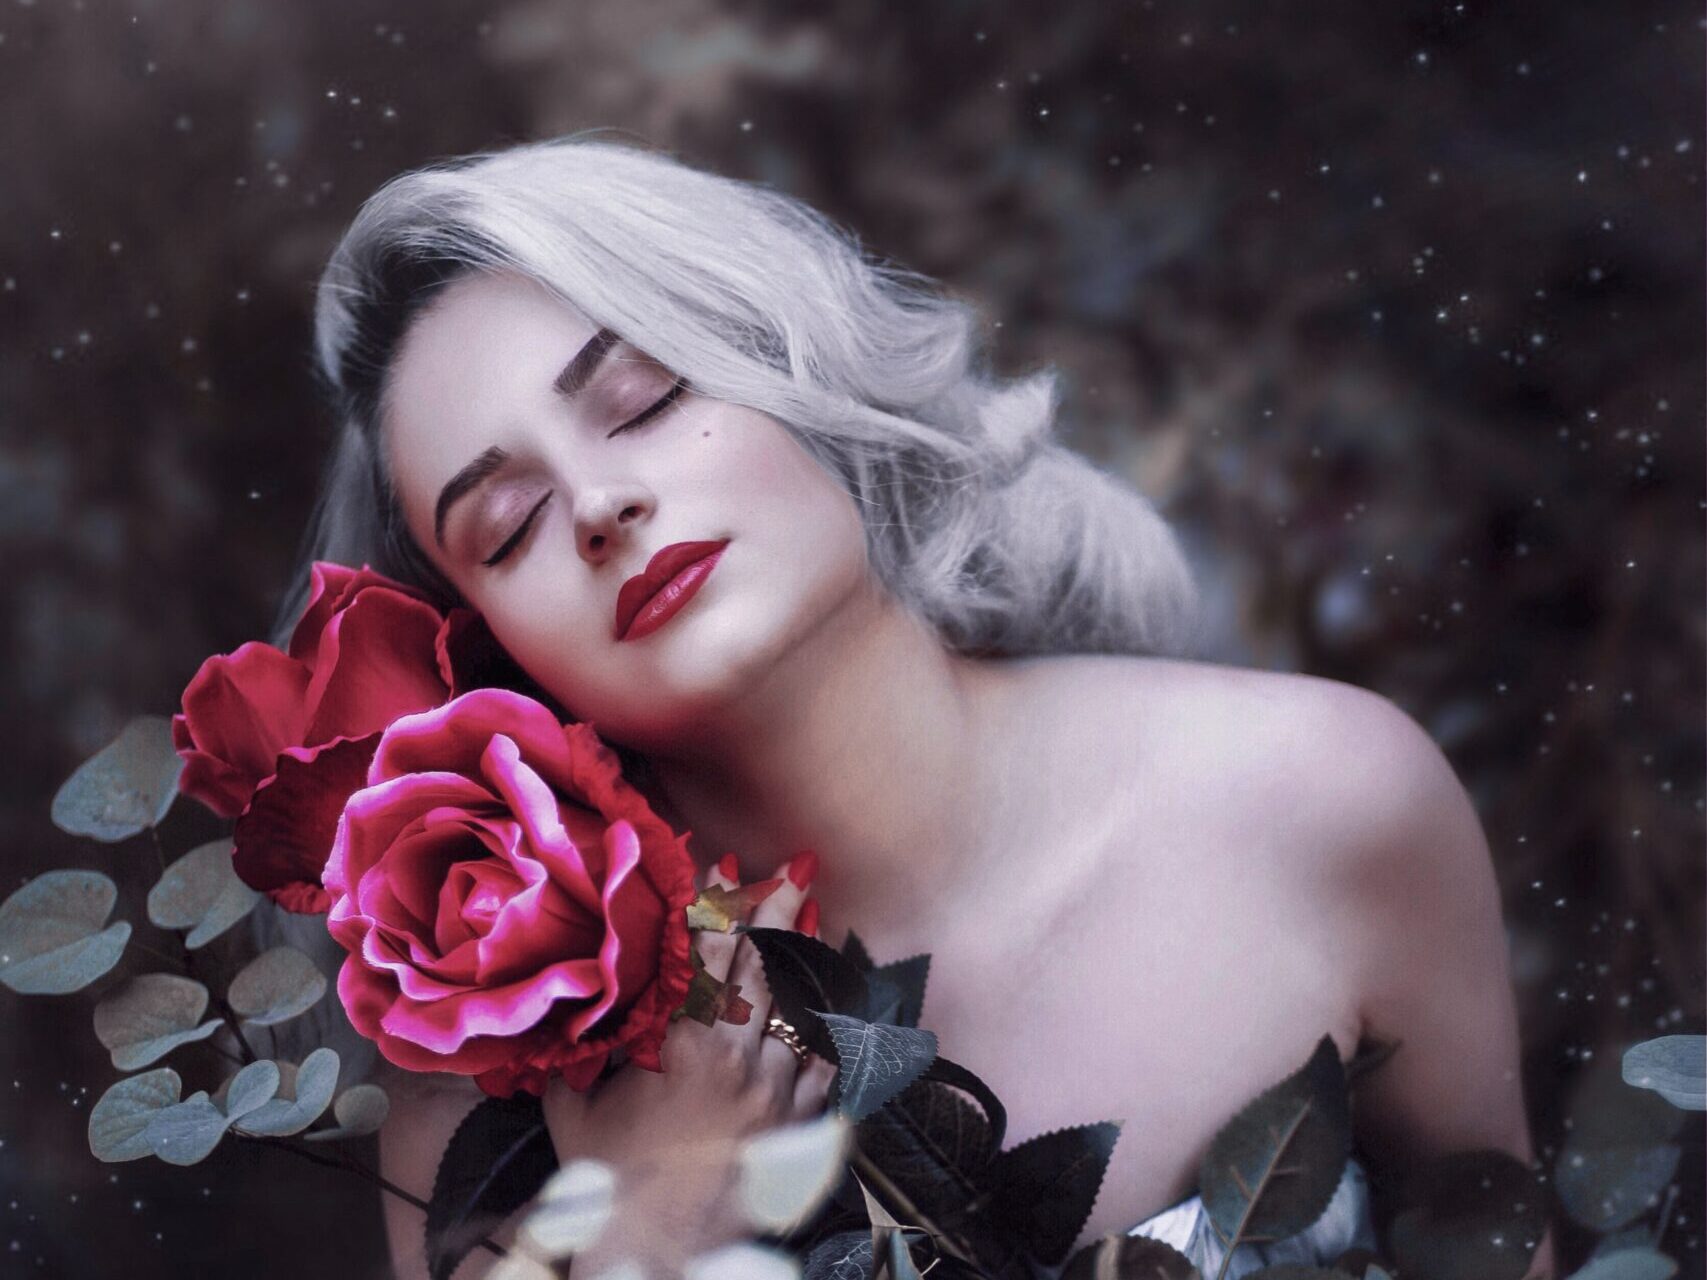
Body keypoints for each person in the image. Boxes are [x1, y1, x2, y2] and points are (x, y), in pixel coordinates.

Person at [260, 131, 1554, 1279]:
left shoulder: (1321, 804)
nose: (600, 506)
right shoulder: (486, 1100)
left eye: (645, 399)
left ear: (800, 365)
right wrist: (640, 1231)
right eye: (509, 522)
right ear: (493, 654)